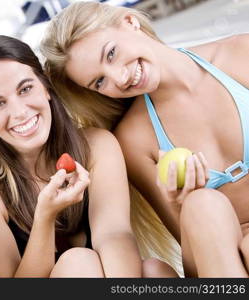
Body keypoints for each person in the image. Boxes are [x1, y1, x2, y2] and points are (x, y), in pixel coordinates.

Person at [40, 1, 249, 277]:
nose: (120, 77)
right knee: (201, 205)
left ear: (129, 22)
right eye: (99, 82)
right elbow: (195, 264)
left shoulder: (240, 54)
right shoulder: (134, 140)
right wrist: (179, 203)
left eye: (111, 53)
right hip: (221, 264)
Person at [0, 35, 178, 278]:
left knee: (156, 271)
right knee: (78, 262)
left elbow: (114, 235)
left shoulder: (95, 146)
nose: (19, 112)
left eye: (26, 89)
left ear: (46, 88)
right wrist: (45, 217)